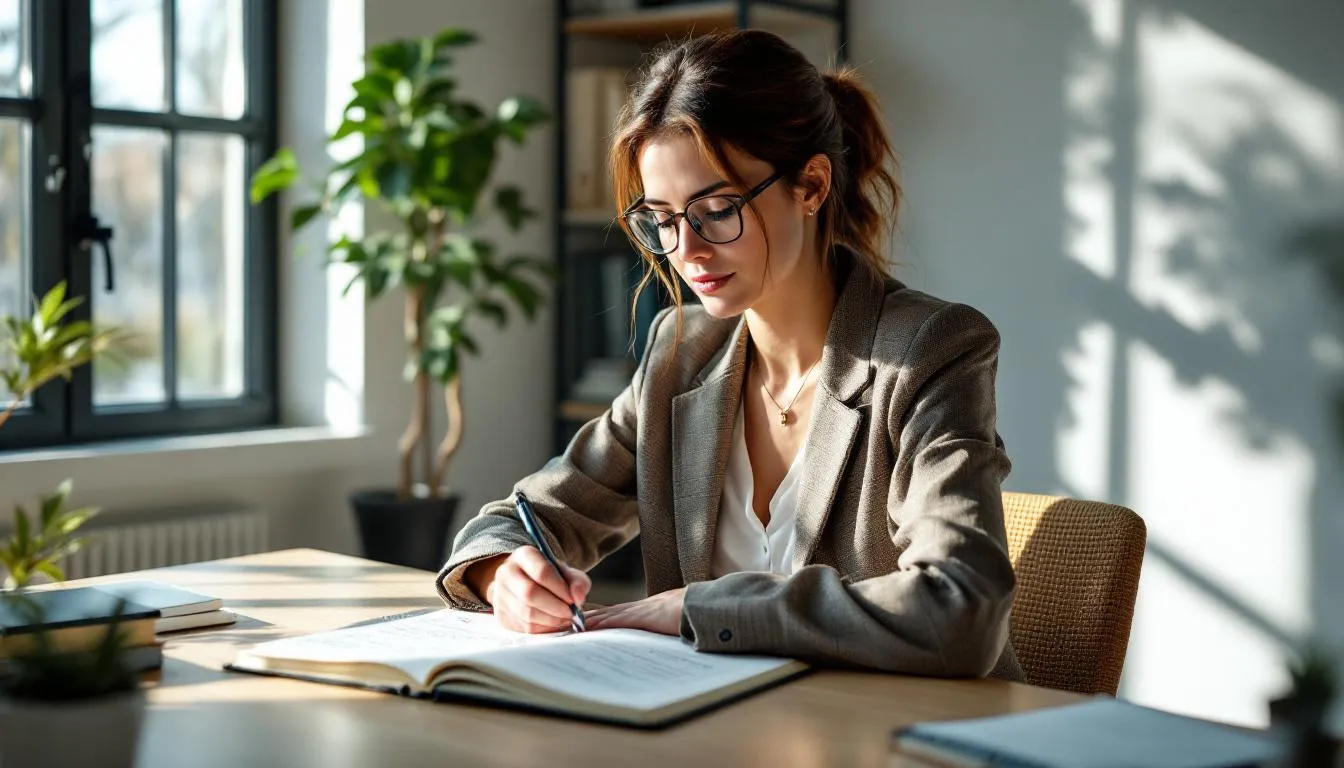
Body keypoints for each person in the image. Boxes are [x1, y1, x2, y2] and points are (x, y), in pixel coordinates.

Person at [436, 29, 1023, 680]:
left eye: (716, 210)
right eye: (661, 217)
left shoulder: (929, 352)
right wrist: (503, 574)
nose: (686, 249)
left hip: (892, 736)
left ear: (811, 186)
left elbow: (960, 612)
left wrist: (707, 607)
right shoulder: (680, 355)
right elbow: (521, 520)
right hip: (715, 729)